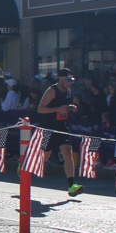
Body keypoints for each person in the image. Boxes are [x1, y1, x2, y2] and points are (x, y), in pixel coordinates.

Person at [36, 67, 83, 196]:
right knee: (45, 156)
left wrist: (71, 107)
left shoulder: (68, 91)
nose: (70, 82)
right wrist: (58, 109)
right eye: (67, 80)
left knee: (67, 152)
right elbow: (40, 109)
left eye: (71, 80)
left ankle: (71, 185)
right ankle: (26, 165)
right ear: (60, 79)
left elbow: (66, 106)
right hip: (48, 125)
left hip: (61, 125)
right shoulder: (52, 90)